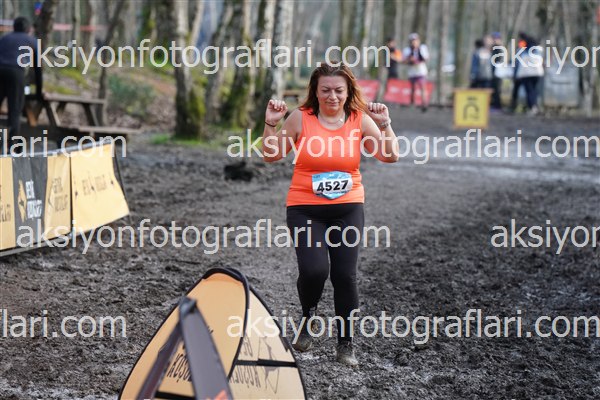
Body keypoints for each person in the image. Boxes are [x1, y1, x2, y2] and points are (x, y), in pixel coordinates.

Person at [261, 62, 399, 366]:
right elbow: (271, 155)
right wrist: (271, 124)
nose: (332, 96)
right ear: (315, 91)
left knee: (344, 275)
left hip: (347, 209)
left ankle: (345, 343)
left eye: (338, 90)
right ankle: (308, 317)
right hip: (304, 209)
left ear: (349, 91)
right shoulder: (301, 118)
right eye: (325, 90)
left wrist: (385, 124)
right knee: (314, 271)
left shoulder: (360, 120)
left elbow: (390, 155)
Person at [0, 16, 43, 142]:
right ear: (29, 29)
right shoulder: (32, 41)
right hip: (16, 73)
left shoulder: (4, 38)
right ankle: (13, 145)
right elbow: (38, 69)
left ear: (14, 27)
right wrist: (39, 92)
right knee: (14, 111)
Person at [511, 32, 544, 115]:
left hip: (526, 73)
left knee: (529, 91)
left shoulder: (522, 49)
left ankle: (532, 108)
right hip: (538, 73)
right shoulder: (539, 49)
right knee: (534, 91)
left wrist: (515, 74)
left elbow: (518, 62)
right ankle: (535, 106)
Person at [402, 33, 429, 112]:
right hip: (412, 72)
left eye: (415, 40)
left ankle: (424, 104)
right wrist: (410, 60)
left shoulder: (422, 48)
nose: (414, 42)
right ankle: (412, 103)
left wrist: (417, 60)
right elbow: (404, 61)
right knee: (413, 88)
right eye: (412, 41)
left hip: (421, 71)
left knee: (422, 87)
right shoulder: (407, 50)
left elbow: (426, 58)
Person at [490, 32, 504, 109]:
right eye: (494, 39)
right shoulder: (493, 48)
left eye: (496, 39)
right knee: (493, 89)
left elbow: (499, 61)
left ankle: (498, 105)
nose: (494, 40)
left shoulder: (499, 49)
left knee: (497, 89)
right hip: (493, 72)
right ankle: (494, 104)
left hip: (498, 72)